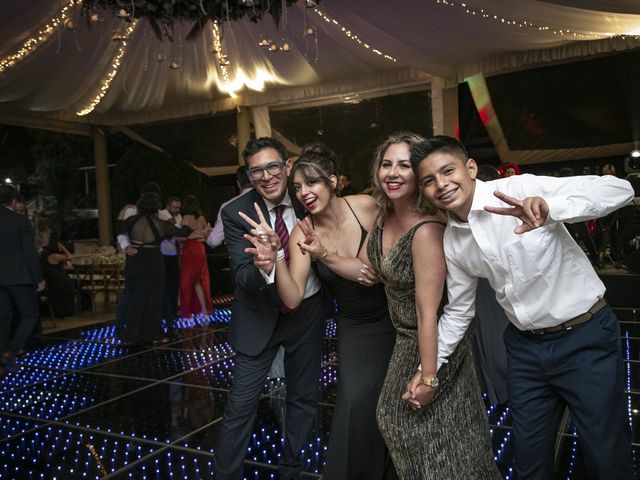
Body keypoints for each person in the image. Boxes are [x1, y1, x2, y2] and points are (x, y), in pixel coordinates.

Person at [412, 135, 634, 480]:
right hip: (525, 350)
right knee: (529, 462)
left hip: (584, 338)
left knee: (606, 457)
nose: (441, 184)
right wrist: (431, 366)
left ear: (470, 168)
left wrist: (551, 210)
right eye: (429, 180)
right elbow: (458, 311)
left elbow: (618, 189)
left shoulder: (521, 187)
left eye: (447, 171)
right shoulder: (453, 240)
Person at [242, 143, 397, 479]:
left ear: (332, 181)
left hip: (395, 319)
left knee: (395, 404)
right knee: (355, 403)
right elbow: (293, 297)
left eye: (311, 183)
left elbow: (370, 274)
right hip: (355, 326)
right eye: (297, 188)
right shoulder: (301, 231)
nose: (304, 193)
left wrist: (323, 254)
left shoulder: (367, 207)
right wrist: (277, 258)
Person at [364, 133, 500, 479]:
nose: (393, 173)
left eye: (405, 166)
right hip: (404, 337)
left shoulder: (427, 230)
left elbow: (429, 313)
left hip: (434, 339)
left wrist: (429, 375)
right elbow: (370, 271)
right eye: (386, 164)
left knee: (419, 427)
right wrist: (321, 253)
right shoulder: (381, 220)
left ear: (419, 177)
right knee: (433, 431)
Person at [213, 137, 325, 480]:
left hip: (307, 310)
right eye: (256, 170)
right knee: (240, 405)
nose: (266, 176)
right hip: (260, 314)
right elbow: (241, 274)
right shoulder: (236, 212)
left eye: (272, 166)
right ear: (249, 175)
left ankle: (293, 468)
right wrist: (265, 265)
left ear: (286, 166)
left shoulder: (309, 198)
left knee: (303, 398)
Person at [116, 192, 192, 346]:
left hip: (135, 260)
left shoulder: (131, 220)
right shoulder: (160, 223)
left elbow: (118, 228)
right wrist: (185, 223)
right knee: (154, 298)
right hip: (153, 260)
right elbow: (182, 232)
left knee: (135, 297)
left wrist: (126, 245)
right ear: (156, 206)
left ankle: (132, 334)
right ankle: (151, 334)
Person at [0, 185, 45, 376]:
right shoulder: (19, 221)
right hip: (19, 276)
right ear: (13, 201)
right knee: (30, 314)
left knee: (3, 316)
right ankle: (12, 349)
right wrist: (38, 279)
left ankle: (2, 354)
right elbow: (30, 253)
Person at [179, 195, 212, 318]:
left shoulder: (186, 218)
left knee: (187, 281)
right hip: (200, 248)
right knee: (200, 280)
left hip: (190, 248)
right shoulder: (202, 218)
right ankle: (204, 310)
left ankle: (187, 313)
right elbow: (207, 232)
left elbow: (181, 236)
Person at [206, 165, 253, 249]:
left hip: (241, 258)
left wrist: (207, 236)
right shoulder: (270, 201)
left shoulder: (228, 206)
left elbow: (214, 241)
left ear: (238, 184)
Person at [158, 196, 182, 333]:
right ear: (168, 206)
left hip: (174, 255)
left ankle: (172, 314)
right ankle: (164, 314)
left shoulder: (179, 217)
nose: (177, 210)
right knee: (165, 286)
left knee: (174, 286)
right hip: (162, 254)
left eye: (179, 208)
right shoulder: (161, 215)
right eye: (175, 207)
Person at [40, 231, 76, 318]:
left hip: (52, 281)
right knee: (72, 284)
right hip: (58, 284)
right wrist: (63, 248)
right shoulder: (55, 256)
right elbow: (70, 257)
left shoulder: (46, 256)